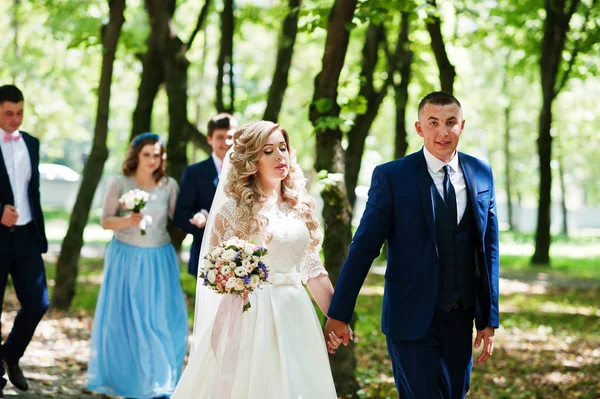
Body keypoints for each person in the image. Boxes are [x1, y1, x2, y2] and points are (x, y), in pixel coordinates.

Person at [325, 91, 500, 399]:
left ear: (462, 125)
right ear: (419, 128)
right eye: (433, 123)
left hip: (460, 316)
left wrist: (489, 318)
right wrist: (340, 313)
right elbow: (364, 247)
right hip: (410, 318)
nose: (442, 132)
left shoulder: (481, 173)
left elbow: (489, 248)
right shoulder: (393, 176)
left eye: (450, 122)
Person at [172, 121, 341, 398]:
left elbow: (312, 269)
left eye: (282, 148)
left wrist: (337, 317)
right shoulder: (232, 212)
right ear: (251, 160)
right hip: (251, 316)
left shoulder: (299, 206)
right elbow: (215, 274)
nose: (279, 156)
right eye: (268, 151)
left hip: (295, 312)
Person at [86, 133, 188, 399]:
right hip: (126, 258)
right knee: (129, 320)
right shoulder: (119, 182)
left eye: (157, 155)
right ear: (136, 155)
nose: (152, 160)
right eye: (147, 155)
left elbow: (180, 219)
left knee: (158, 320)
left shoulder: (168, 185)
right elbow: (106, 221)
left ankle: (159, 381)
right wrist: (127, 221)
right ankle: (135, 383)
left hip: (159, 258)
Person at [0, 85, 49, 397]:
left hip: (28, 236)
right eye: (8, 113)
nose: (15, 119)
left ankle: (10, 354)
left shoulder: (31, 142)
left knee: (38, 302)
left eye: (19, 113)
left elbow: (33, 190)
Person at [174, 113, 237, 277]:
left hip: (243, 256)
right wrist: (201, 222)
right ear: (209, 139)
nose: (226, 142)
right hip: (205, 255)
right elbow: (180, 216)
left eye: (230, 136)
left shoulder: (248, 171)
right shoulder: (194, 173)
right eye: (220, 137)